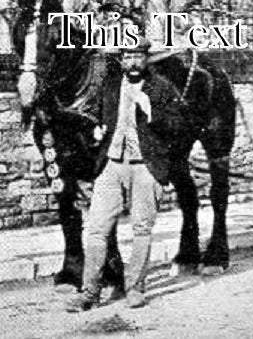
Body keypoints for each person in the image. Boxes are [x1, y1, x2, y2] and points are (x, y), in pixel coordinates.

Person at [66, 36, 184, 312]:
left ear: (146, 59)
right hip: (111, 165)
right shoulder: (110, 85)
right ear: (121, 60)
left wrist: (151, 110)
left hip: (146, 167)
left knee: (142, 228)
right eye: (128, 57)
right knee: (96, 229)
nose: (132, 62)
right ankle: (90, 292)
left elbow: (179, 125)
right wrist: (96, 129)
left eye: (138, 56)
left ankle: (135, 288)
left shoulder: (162, 87)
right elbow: (95, 114)